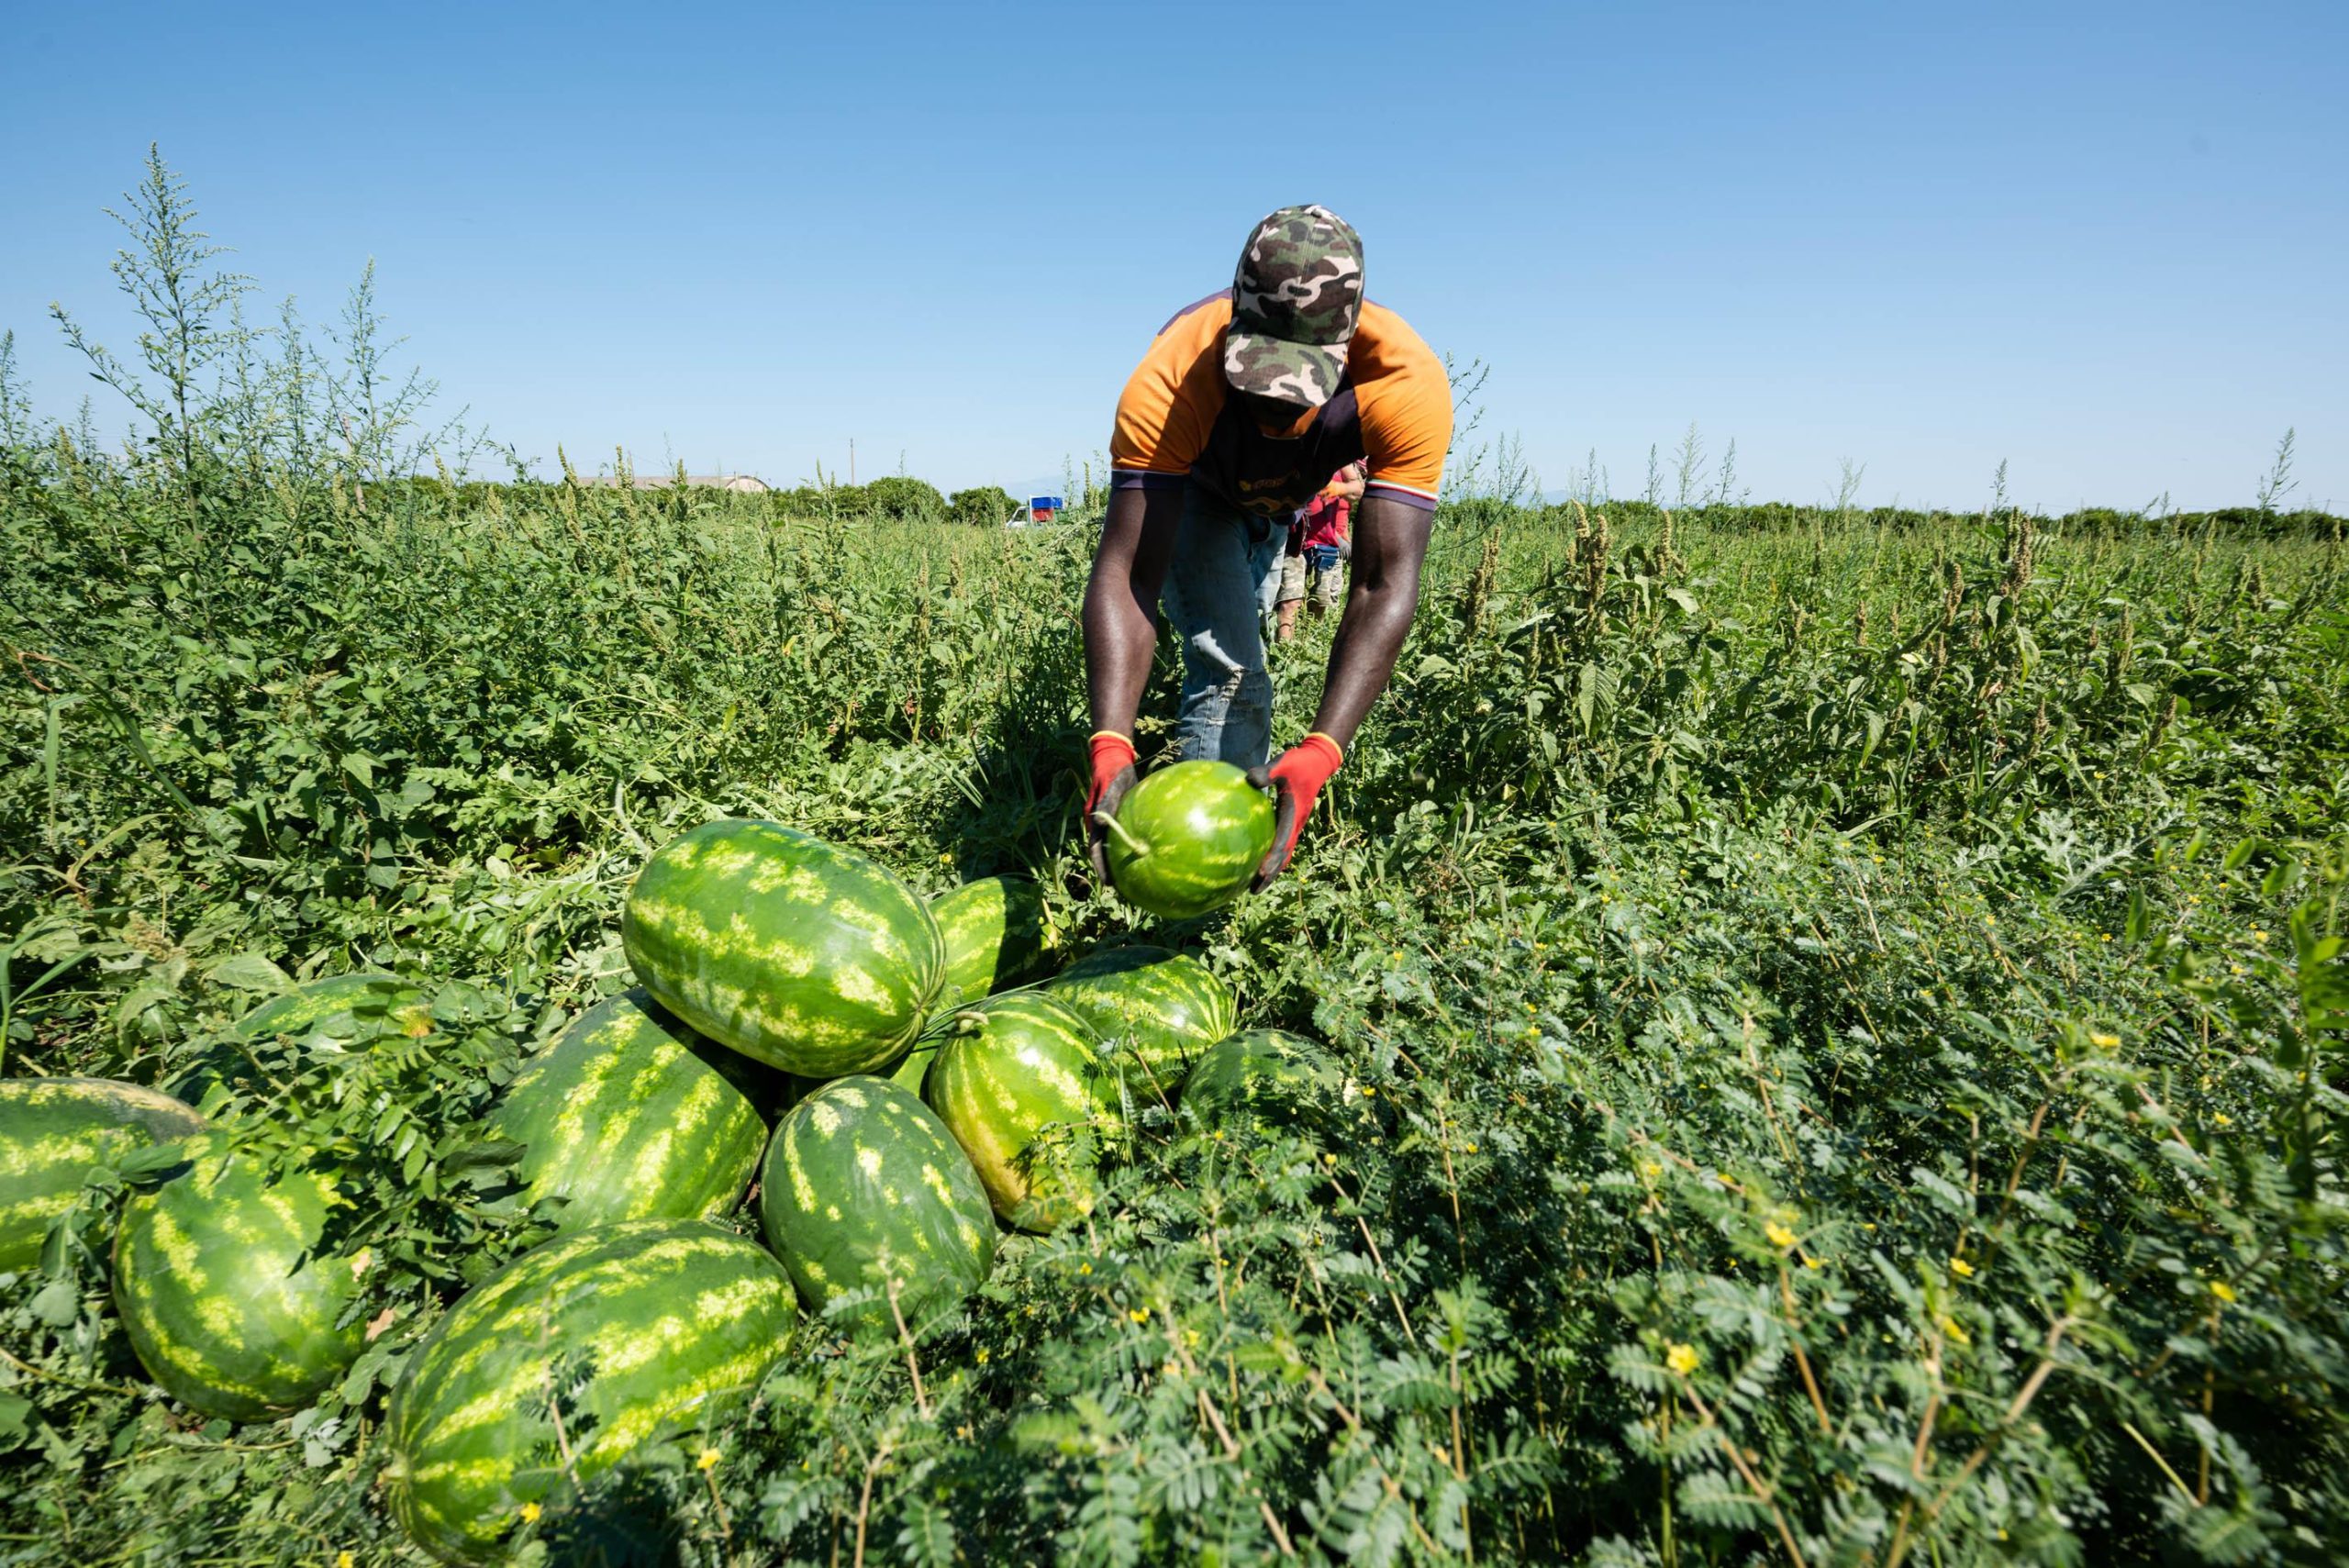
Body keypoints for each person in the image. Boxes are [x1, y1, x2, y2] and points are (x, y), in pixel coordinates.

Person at [1081, 205, 1452, 895]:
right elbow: (1130, 573)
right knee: (1235, 676)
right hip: (1196, 496)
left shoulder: (1404, 382)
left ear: (1346, 345)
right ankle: (1190, 895)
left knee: (1233, 640)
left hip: (1279, 510)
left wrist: (1322, 750)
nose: (1274, 408)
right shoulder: (1172, 373)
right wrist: (1109, 739)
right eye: (1257, 379)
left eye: (1299, 388)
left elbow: (1381, 583)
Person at [1300, 461, 1364, 618]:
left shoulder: (1345, 491)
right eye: (1361, 473)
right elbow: (1319, 517)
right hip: (1320, 541)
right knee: (1316, 594)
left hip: (1335, 543)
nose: (1362, 477)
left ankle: (1318, 629)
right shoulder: (1333, 483)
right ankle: (1307, 627)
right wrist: (1339, 540)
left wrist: (1346, 542)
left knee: (1332, 593)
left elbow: (1342, 520)